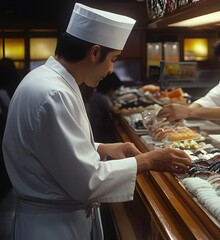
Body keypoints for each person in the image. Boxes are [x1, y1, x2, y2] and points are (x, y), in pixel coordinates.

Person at [2, 3, 191, 240]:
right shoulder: (54, 93)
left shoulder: (45, 80)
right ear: (94, 52)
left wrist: (101, 148)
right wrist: (148, 161)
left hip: (51, 219)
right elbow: (87, 181)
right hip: (54, 227)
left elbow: (52, 148)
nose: (111, 69)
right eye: (113, 58)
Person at [89, 72, 122, 143]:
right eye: (114, 90)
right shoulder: (103, 98)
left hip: (95, 128)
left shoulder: (97, 93)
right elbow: (113, 111)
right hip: (101, 131)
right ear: (110, 88)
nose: (114, 92)